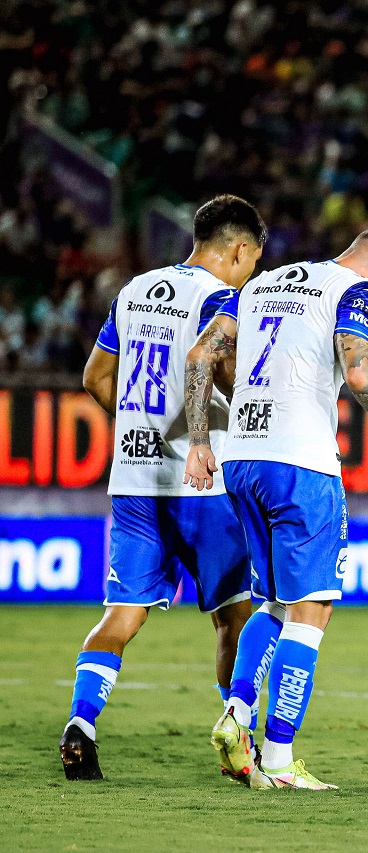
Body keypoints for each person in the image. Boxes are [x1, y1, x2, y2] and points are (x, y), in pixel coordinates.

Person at [183, 227, 368, 790]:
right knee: (313, 608)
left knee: (273, 604)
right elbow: (357, 370)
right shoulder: (354, 290)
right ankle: (277, 761)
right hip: (302, 463)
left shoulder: (259, 285)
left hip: (243, 460)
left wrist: (201, 440)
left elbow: (202, 354)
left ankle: (237, 713)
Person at [59, 195, 266, 780]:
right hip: (202, 485)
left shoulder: (133, 291)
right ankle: (238, 733)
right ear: (238, 249)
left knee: (120, 615)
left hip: (133, 479)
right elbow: (220, 372)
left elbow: (95, 377)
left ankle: (81, 723)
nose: (250, 274)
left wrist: (135, 429)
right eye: (252, 262)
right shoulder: (221, 299)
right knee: (234, 615)